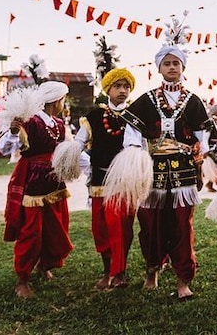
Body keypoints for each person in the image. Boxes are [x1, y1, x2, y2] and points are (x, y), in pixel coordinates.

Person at [117, 33, 211, 300]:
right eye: (167, 63)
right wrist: (136, 160)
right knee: (150, 224)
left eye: (176, 63)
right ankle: (152, 270)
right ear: (158, 68)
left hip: (183, 173)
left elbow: (202, 136)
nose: (172, 67)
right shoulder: (145, 101)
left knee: (183, 224)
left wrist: (199, 155)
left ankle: (183, 279)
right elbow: (133, 136)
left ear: (183, 68)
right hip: (152, 172)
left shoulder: (193, 101)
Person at [0, 81, 73, 299]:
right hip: (32, 180)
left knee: (54, 226)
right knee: (31, 231)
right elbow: (4, 148)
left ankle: (45, 263)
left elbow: (64, 148)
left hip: (53, 180)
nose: (63, 104)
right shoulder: (29, 121)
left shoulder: (59, 123)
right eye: (63, 100)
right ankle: (22, 280)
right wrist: (13, 131)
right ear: (57, 100)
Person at [72, 68, 137, 289]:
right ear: (107, 89)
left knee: (121, 227)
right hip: (99, 180)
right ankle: (108, 270)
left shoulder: (134, 116)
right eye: (118, 86)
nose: (122, 90)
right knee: (101, 228)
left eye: (126, 86)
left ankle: (120, 272)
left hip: (125, 181)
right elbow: (79, 142)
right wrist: (69, 154)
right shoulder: (93, 117)